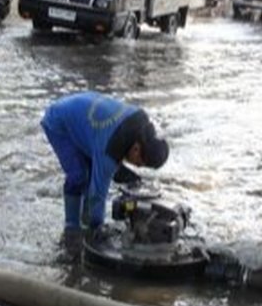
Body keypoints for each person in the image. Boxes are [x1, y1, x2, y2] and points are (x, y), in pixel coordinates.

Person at [41, 92, 170, 248]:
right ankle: (71, 229)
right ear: (136, 149)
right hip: (58, 122)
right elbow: (98, 194)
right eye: (138, 163)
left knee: (92, 174)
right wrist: (97, 229)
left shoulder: (141, 121)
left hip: (83, 118)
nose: (136, 166)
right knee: (79, 175)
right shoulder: (110, 150)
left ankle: (84, 219)